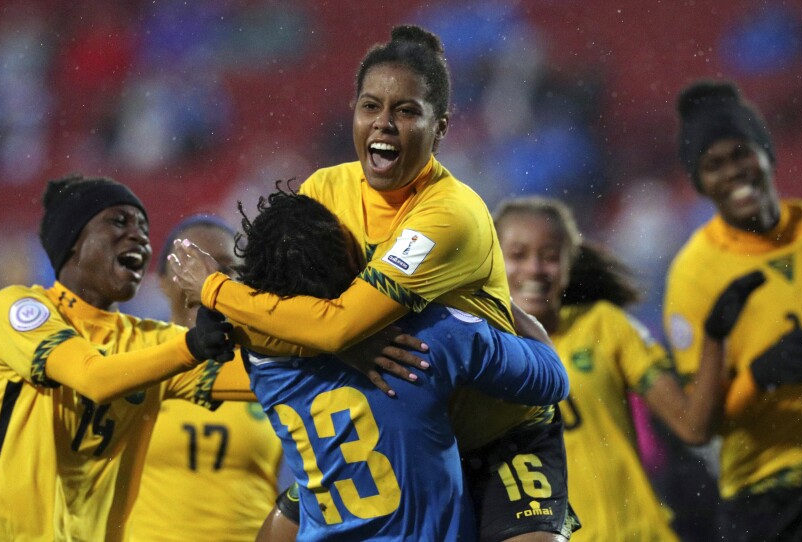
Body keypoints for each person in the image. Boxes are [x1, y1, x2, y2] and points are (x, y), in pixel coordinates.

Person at [171, 24, 575, 542]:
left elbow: (334, 326)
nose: (384, 124)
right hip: (398, 422)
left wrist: (216, 291)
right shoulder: (324, 190)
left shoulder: (449, 215)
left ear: (441, 127)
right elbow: (288, 309)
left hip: (498, 430)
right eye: (371, 106)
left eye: (406, 111)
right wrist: (339, 343)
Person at [220, 188, 568, 539]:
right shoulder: (429, 336)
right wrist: (495, 300)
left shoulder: (261, 357)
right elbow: (552, 379)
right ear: (350, 259)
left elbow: (272, 319)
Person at [663, 79, 802, 541]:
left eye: (741, 153)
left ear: (766, 154)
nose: (733, 172)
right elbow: (702, 422)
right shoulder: (694, 276)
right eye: (713, 165)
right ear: (700, 184)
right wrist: (760, 375)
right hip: (759, 480)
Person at [493, 196, 763, 541]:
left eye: (549, 257)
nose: (534, 269)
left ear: (568, 263)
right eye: (517, 255)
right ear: (492, 261)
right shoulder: (475, 357)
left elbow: (693, 428)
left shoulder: (605, 326)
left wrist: (714, 341)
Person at [0, 174, 244, 541]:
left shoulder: (149, 340)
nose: (139, 235)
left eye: (143, 227)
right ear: (73, 241)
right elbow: (92, 377)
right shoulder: (17, 308)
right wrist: (191, 347)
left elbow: (262, 378)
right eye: (119, 221)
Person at [128, 215, 284, 542]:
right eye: (186, 264)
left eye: (224, 269)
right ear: (161, 280)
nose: (203, 278)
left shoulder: (270, 367)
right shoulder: (134, 361)